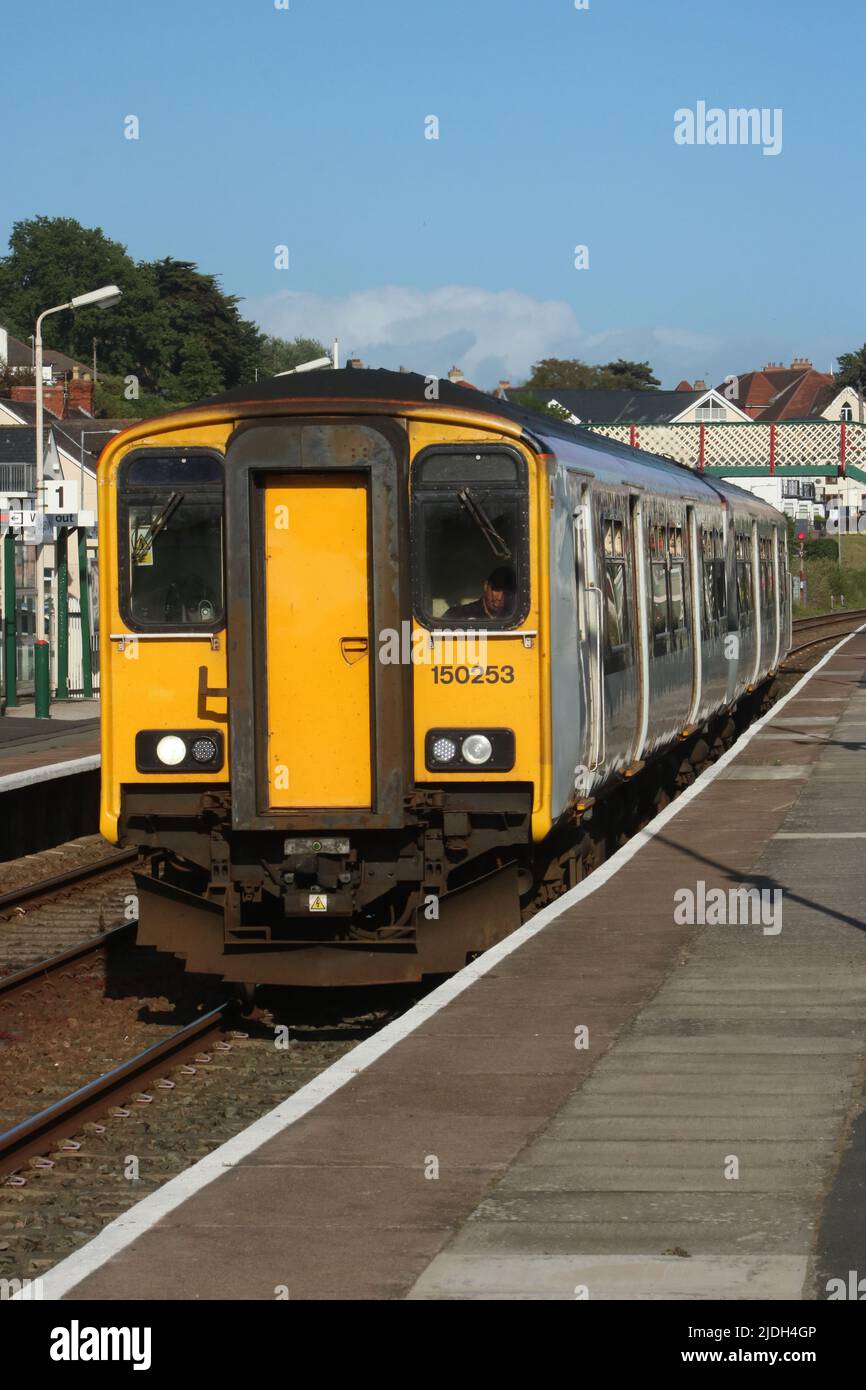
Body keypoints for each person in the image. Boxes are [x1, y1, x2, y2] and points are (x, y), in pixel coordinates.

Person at [444, 566, 516, 621]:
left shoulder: (515, 617)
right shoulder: (457, 615)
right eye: (496, 589)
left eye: (507, 592)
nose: (500, 597)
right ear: (485, 586)